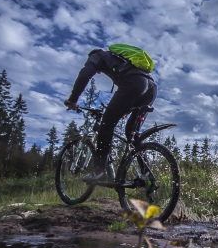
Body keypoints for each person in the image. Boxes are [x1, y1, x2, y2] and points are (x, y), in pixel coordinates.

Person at [64, 47, 157, 182]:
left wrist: (73, 100)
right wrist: (125, 110)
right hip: (151, 88)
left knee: (107, 124)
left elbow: (85, 75)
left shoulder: (97, 56)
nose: (99, 72)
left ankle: (99, 172)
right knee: (132, 133)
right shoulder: (121, 60)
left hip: (134, 83)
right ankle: (147, 175)